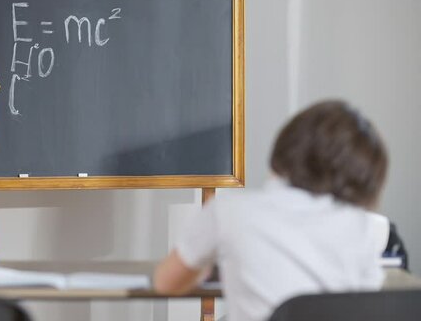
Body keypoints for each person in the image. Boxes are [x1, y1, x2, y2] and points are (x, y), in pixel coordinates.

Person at [154, 100, 389, 321]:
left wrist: (205, 269)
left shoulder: (230, 211)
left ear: (288, 145)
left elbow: (164, 282)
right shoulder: (365, 229)